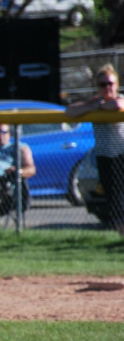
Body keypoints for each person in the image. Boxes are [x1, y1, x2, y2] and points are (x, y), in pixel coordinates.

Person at [67, 64, 124, 235]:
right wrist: (92, 106)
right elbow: (70, 111)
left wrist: (97, 106)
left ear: (117, 85)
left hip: (121, 156)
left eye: (110, 83)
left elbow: (117, 106)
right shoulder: (95, 102)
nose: (107, 88)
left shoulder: (119, 99)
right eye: (102, 84)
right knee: (115, 203)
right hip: (105, 158)